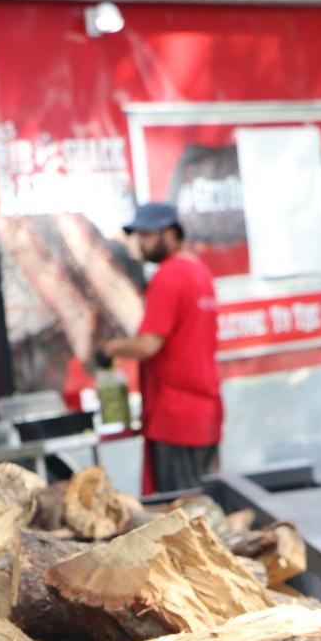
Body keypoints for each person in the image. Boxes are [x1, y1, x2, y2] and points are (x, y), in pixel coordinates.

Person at [95, 201, 223, 493]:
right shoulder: (199, 272)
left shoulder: (168, 276)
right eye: (138, 235)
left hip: (175, 417)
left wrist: (109, 349)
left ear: (171, 233)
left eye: (147, 235)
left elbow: (147, 344)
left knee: (177, 511)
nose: (141, 242)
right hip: (205, 414)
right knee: (205, 506)